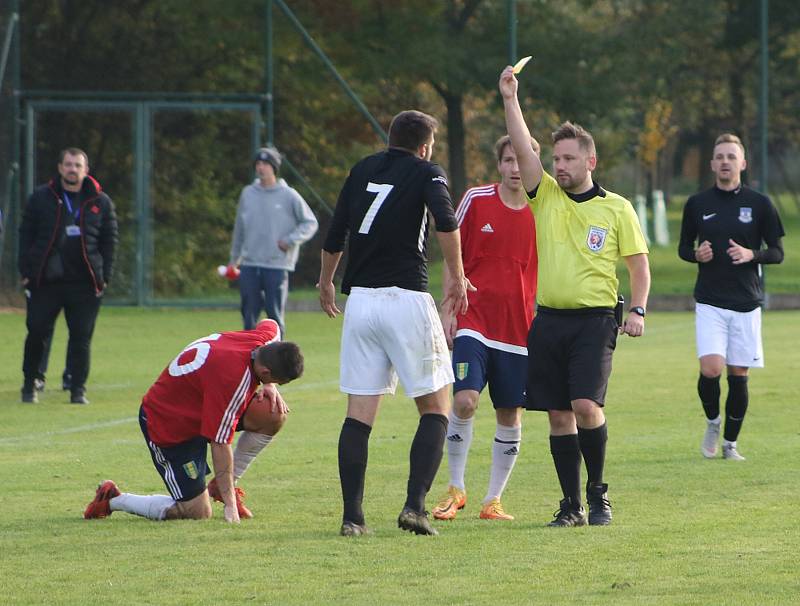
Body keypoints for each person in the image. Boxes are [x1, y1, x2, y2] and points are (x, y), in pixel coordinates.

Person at [499, 66, 651, 527]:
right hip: (548, 321)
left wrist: (639, 308)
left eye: (568, 158)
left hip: (596, 321)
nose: (559, 166)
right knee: (558, 416)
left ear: (590, 161)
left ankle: (598, 494)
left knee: (587, 406)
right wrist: (510, 98)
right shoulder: (543, 195)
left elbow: (638, 266)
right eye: (556, 158)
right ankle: (571, 506)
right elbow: (523, 147)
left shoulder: (617, 208)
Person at [318, 109, 472, 537]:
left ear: (390, 139)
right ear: (424, 146)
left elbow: (336, 232)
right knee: (437, 408)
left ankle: (353, 517)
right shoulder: (427, 170)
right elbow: (446, 220)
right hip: (405, 298)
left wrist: (326, 282)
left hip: (361, 303)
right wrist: (457, 277)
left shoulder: (362, 168)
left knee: (359, 416)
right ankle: (415, 507)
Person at [83, 319, 304, 523]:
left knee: (272, 412)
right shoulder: (233, 379)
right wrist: (230, 506)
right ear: (265, 370)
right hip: (169, 424)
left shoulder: (263, 342)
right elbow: (220, 443)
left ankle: (220, 485)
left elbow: (271, 324)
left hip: (199, 407)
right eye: (278, 381)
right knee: (196, 511)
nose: (277, 385)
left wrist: (269, 385)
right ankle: (112, 499)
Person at [432, 134, 539, 522]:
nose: (515, 168)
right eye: (508, 160)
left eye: (521, 161)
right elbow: (450, 252)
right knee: (465, 400)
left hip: (519, 329)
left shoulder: (544, 210)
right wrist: (448, 309)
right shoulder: (477, 200)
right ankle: (455, 488)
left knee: (510, 413)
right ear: (499, 164)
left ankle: (493, 501)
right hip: (473, 319)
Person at [678, 133, 785, 461]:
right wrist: (698, 255)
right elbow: (684, 248)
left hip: (746, 303)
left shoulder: (760, 203)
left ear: (742, 163)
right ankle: (713, 422)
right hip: (710, 301)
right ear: (712, 164)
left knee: (739, 375)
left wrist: (752, 254)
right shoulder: (697, 204)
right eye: (719, 156)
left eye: (731, 156)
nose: (725, 161)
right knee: (711, 369)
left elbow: (778, 253)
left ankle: (730, 444)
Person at [18, 148, 118, 405]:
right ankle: (30, 384)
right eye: (69, 164)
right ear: (60, 168)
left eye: (78, 165)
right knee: (37, 330)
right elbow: (25, 234)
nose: (73, 169)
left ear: (86, 170)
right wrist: (26, 271)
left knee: (81, 337)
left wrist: (103, 276)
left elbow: (110, 241)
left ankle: (77, 389)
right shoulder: (41, 197)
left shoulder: (100, 201)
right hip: (46, 281)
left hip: (84, 283)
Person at [228, 146, 319, 336]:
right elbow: (239, 229)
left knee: (275, 318)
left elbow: (310, 223)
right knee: (248, 317)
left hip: (277, 266)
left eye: (265, 164)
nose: (261, 168)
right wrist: (234, 259)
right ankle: (249, 360)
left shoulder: (289, 195)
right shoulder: (248, 193)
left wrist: (290, 240)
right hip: (250, 264)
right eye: (258, 164)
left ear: (274, 168)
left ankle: (278, 360)